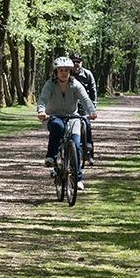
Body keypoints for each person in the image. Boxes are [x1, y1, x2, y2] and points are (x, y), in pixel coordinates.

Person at [37, 55, 97, 192]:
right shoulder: (50, 85)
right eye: (61, 70)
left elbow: (85, 99)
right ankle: (51, 157)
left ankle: (78, 179)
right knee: (58, 126)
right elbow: (42, 99)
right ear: (56, 72)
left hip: (73, 118)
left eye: (66, 70)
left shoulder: (75, 84)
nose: (64, 73)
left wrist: (92, 111)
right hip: (54, 116)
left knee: (76, 146)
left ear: (70, 71)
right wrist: (41, 111)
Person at [69, 52, 97, 164]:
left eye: (78, 62)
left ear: (82, 63)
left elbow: (93, 90)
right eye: (74, 61)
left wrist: (93, 107)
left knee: (86, 124)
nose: (76, 64)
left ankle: (89, 152)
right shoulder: (67, 74)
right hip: (71, 105)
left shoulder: (87, 74)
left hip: (84, 105)